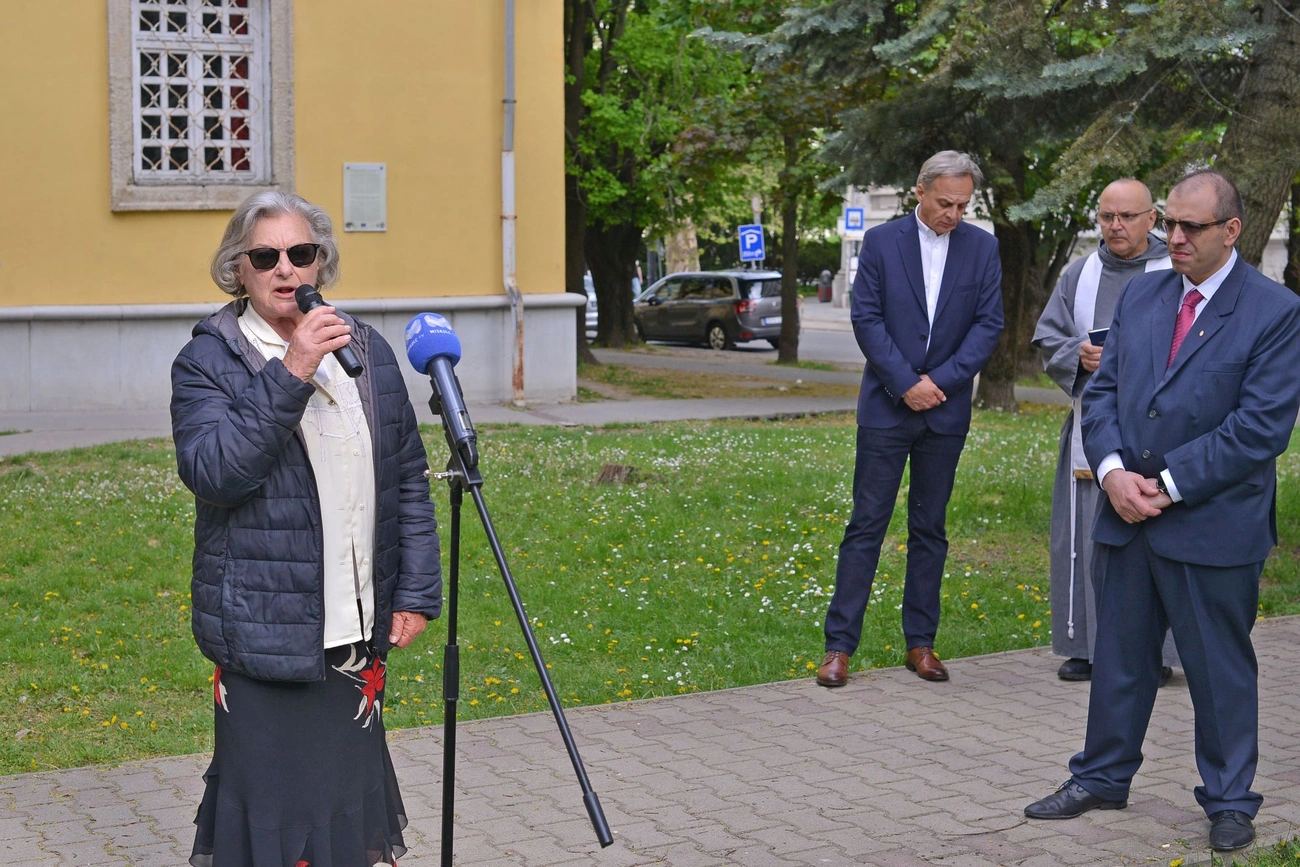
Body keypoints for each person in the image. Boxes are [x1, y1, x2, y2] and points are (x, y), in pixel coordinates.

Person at [1024, 171, 1300, 853]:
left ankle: (1231, 798)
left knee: (1218, 670)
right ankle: (1100, 775)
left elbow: (1259, 428)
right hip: (1126, 515)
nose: (1171, 237)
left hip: (1211, 523)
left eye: (1189, 227)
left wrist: (1168, 485)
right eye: (1169, 224)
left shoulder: (1274, 311)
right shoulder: (1144, 294)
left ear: (1231, 231)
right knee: (1118, 658)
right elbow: (1105, 392)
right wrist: (1114, 473)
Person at [171, 191, 443, 866]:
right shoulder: (209, 360)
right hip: (264, 638)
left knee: (349, 815)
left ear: (322, 261)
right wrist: (292, 368)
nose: (287, 269)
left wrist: (414, 589)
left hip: (354, 636)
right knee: (271, 827)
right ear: (240, 269)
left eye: (302, 253)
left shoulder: (366, 352)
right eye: (267, 256)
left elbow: (407, 475)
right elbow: (216, 471)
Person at [817, 151, 1004, 687]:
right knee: (866, 525)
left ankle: (921, 643)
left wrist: (940, 383)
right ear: (919, 190)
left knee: (930, 528)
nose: (954, 213)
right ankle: (839, 648)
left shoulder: (982, 248)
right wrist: (906, 383)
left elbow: (988, 326)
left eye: (963, 204)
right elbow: (866, 318)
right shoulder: (880, 243)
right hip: (886, 408)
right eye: (946, 202)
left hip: (945, 413)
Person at [1031, 179, 1180, 684]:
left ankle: (1153, 655)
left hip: (1161, 431)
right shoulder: (1081, 273)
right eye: (1106, 217)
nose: (1115, 226)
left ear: (1152, 219)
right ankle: (1087, 647)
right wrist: (1078, 353)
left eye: (1127, 217)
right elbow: (1047, 335)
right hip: (1093, 426)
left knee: (1155, 538)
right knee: (1085, 538)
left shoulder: (1176, 268)